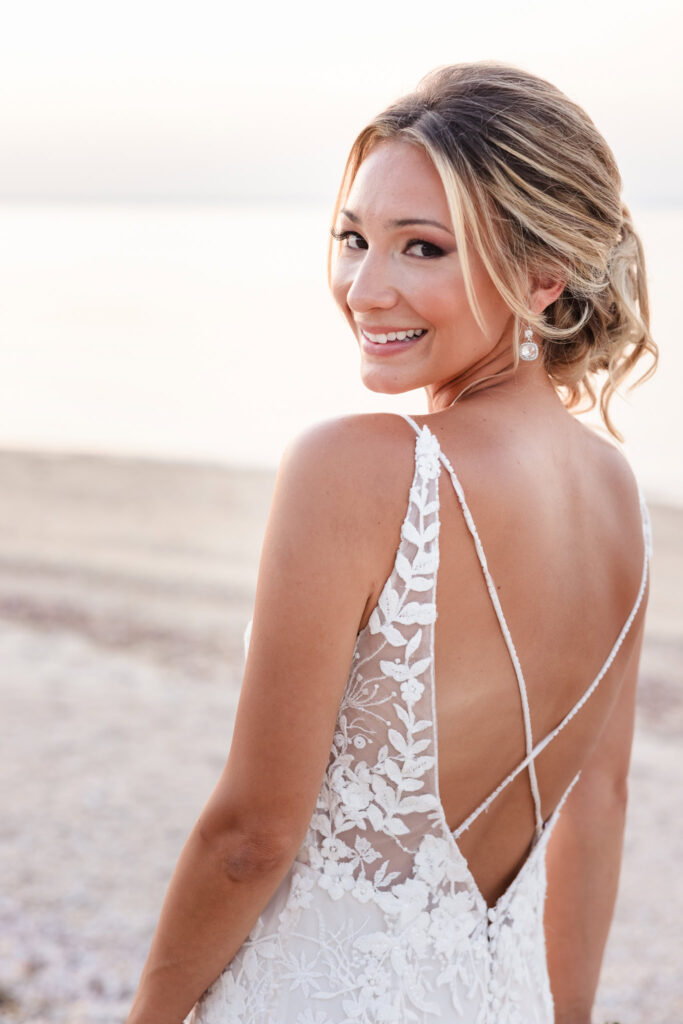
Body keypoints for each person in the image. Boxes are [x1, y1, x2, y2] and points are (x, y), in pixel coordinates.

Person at [127, 61, 657, 1024]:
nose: (365, 288)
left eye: (422, 248)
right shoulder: (621, 497)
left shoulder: (358, 467)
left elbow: (252, 834)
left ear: (543, 278)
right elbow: (600, 803)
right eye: (352, 238)